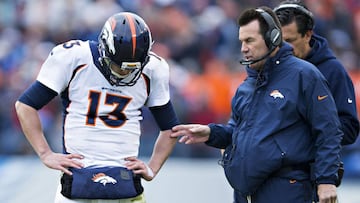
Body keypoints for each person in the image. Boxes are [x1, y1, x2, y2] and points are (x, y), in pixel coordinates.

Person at [170, 6, 342, 203]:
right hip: (246, 193)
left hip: (287, 189)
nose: (243, 48)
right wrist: (211, 133)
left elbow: (328, 131)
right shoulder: (246, 86)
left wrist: (326, 181)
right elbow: (236, 133)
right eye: (242, 41)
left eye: (250, 40)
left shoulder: (305, 75)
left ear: (273, 38)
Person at [15, 12, 179, 203]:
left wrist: (153, 167)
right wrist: (45, 153)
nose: (125, 73)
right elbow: (25, 105)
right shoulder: (75, 57)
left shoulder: (153, 68)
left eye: (133, 68)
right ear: (104, 49)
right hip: (77, 178)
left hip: (125, 182)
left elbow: (170, 128)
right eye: (120, 67)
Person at [274, 0, 359, 146]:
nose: (284, 48)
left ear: (307, 35)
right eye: (279, 42)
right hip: (274, 165)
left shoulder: (332, 70)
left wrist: (303, 132)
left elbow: (349, 129)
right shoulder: (269, 69)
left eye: (290, 41)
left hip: (315, 165)